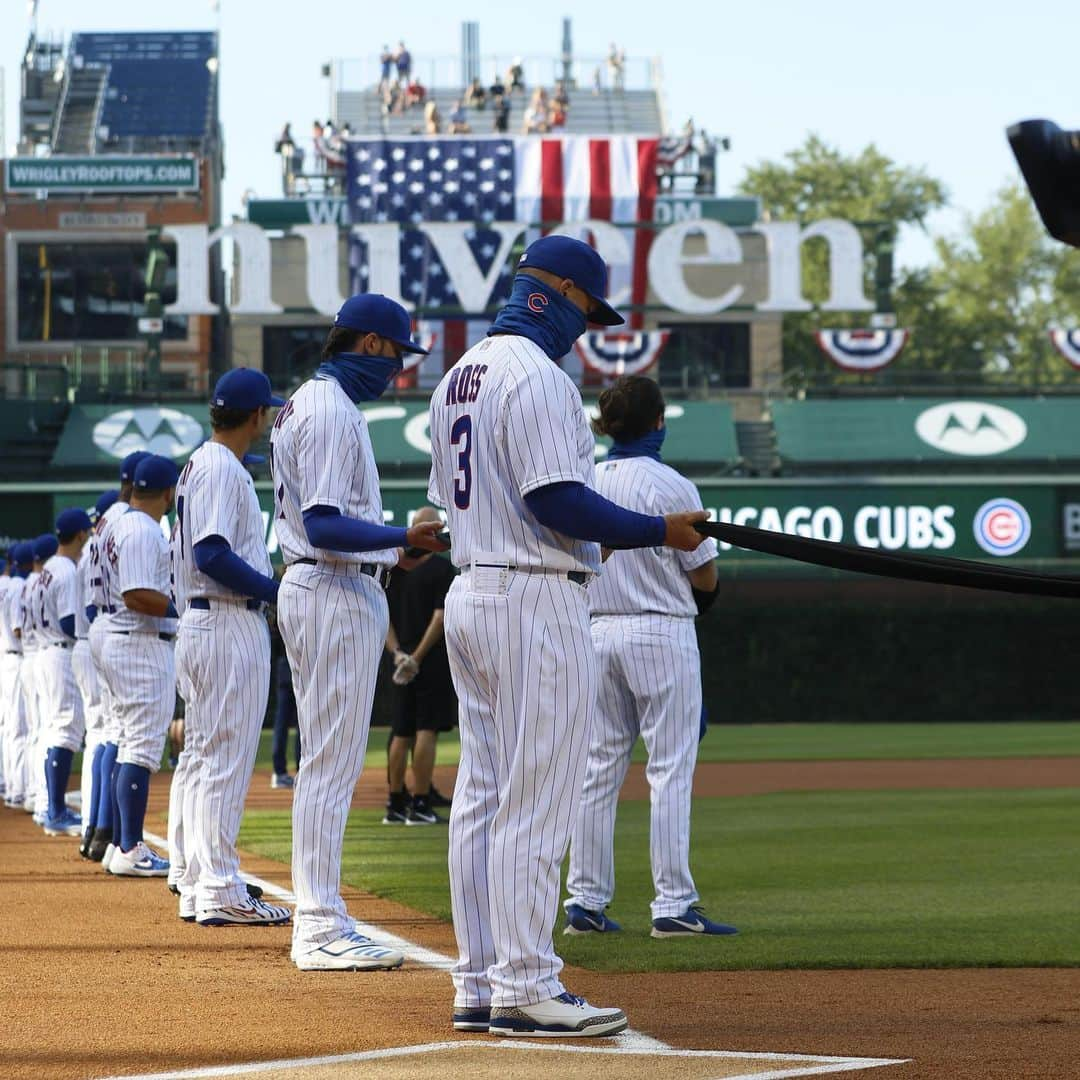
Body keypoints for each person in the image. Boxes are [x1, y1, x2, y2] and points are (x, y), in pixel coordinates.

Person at [427, 235, 710, 1037]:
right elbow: (557, 501)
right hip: (534, 598)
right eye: (587, 306)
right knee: (536, 794)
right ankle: (525, 982)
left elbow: (491, 503)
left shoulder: (458, 376)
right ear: (551, 290)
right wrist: (662, 529)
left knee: (481, 798)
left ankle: (479, 980)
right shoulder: (539, 377)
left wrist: (615, 532)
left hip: (475, 588)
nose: (586, 327)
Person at [270, 292, 447, 971]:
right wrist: (399, 535)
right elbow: (322, 524)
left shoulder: (313, 404)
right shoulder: (328, 409)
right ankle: (317, 923)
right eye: (397, 354)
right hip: (330, 587)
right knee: (331, 764)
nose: (399, 369)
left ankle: (321, 913)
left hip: (331, 582)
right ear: (370, 344)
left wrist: (393, 550)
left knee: (328, 761)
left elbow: (333, 525)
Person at [564, 376, 737, 939]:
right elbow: (705, 578)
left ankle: (585, 902)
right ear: (658, 421)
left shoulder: (585, 480)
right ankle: (673, 906)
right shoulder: (672, 484)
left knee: (596, 771)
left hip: (595, 629)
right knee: (669, 771)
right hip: (660, 629)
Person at [171, 368, 291, 927]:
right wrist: (275, 590)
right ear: (256, 416)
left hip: (201, 625)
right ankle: (218, 886)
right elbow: (213, 553)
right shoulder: (221, 465)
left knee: (202, 758)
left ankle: (199, 880)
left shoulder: (201, 461)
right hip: (223, 622)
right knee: (224, 759)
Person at [95, 454, 179, 878]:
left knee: (130, 740)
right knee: (142, 745)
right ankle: (129, 846)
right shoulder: (143, 530)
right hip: (135, 637)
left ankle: (118, 843)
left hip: (117, 634)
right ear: (168, 491)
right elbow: (136, 594)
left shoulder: (118, 522)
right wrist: (182, 606)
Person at [86, 451, 150, 863]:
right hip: (123, 628)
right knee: (127, 738)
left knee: (115, 733)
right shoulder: (129, 522)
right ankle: (117, 837)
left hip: (103, 628)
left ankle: (102, 830)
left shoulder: (106, 521)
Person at [382, 506, 457, 827]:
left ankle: (395, 803)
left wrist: (398, 653)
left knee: (400, 731)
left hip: (399, 660)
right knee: (425, 730)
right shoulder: (441, 570)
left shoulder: (394, 568)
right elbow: (440, 618)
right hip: (429, 661)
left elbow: (382, 614)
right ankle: (421, 802)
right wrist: (417, 658)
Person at [37, 508, 94, 838]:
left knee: (56, 728)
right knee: (65, 730)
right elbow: (71, 623)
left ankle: (53, 806)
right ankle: (56, 810)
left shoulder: (49, 567)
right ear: (80, 535)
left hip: (47, 652)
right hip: (61, 652)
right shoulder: (68, 571)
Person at [75, 490, 117, 857]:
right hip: (102, 637)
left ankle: (95, 826)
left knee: (102, 734)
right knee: (108, 735)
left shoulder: (92, 547)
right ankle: (101, 828)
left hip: (92, 637)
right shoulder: (109, 541)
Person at [0, 543, 33, 811]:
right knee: (20, 727)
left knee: (9, 728)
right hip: (18, 657)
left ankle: (9, 785)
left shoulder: (3, 585)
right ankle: (19, 788)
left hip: (5, 659)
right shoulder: (17, 587)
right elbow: (18, 629)